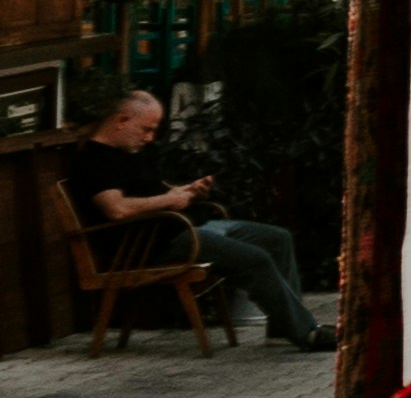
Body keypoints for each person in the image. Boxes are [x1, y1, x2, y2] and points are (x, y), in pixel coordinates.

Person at [57, 86, 327, 352]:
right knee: (254, 259)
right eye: (146, 129)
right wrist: (170, 200)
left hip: (178, 228)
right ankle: (306, 333)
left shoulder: (133, 153)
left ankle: (282, 329)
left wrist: (187, 191)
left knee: (277, 238)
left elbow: (156, 192)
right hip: (148, 246)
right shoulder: (94, 161)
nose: (150, 138)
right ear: (121, 121)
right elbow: (117, 209)